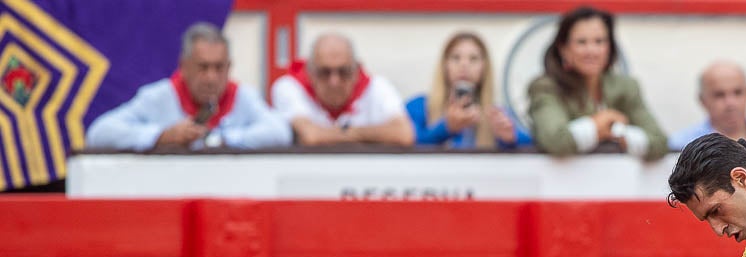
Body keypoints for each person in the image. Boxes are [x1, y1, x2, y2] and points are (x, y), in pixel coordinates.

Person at [86, 22, 291, 151]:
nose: (211, 77)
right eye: (203, 67)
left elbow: (280, 132)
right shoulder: (158, 96)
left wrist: (222, 139)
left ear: (229, 67)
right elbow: (99, 133)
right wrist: (161, 136)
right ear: (183, 66)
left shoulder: (243, 96)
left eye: (219, 68)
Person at [527, 6, 667, 160]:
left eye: (599, 41)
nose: (591, 51)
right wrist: (598, 123)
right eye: (582, 42)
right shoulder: (545, 87)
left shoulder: (626, 86)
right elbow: (556, 142)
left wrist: (618, 131)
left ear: (609, 47)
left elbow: (659, 142)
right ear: (564, 49)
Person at [270, 33, 414, 147]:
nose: (334, 81)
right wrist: (370, 135)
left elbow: (404, 134)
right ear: (309, 72)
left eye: (343, 71)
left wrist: (342, 133)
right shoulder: (288, 87)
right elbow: (311, 137)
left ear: (357, 70)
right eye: (325, 72)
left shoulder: (377, 86)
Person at [405, 32, 531, 149]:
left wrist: (511, 138)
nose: (464, 65)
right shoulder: (419, 107)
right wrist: (446, 128)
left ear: (484, 68)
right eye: (456, 58)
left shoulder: (497, 116)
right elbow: (402, 142)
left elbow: (535, 143)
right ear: (445, 65)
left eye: (473, 59)